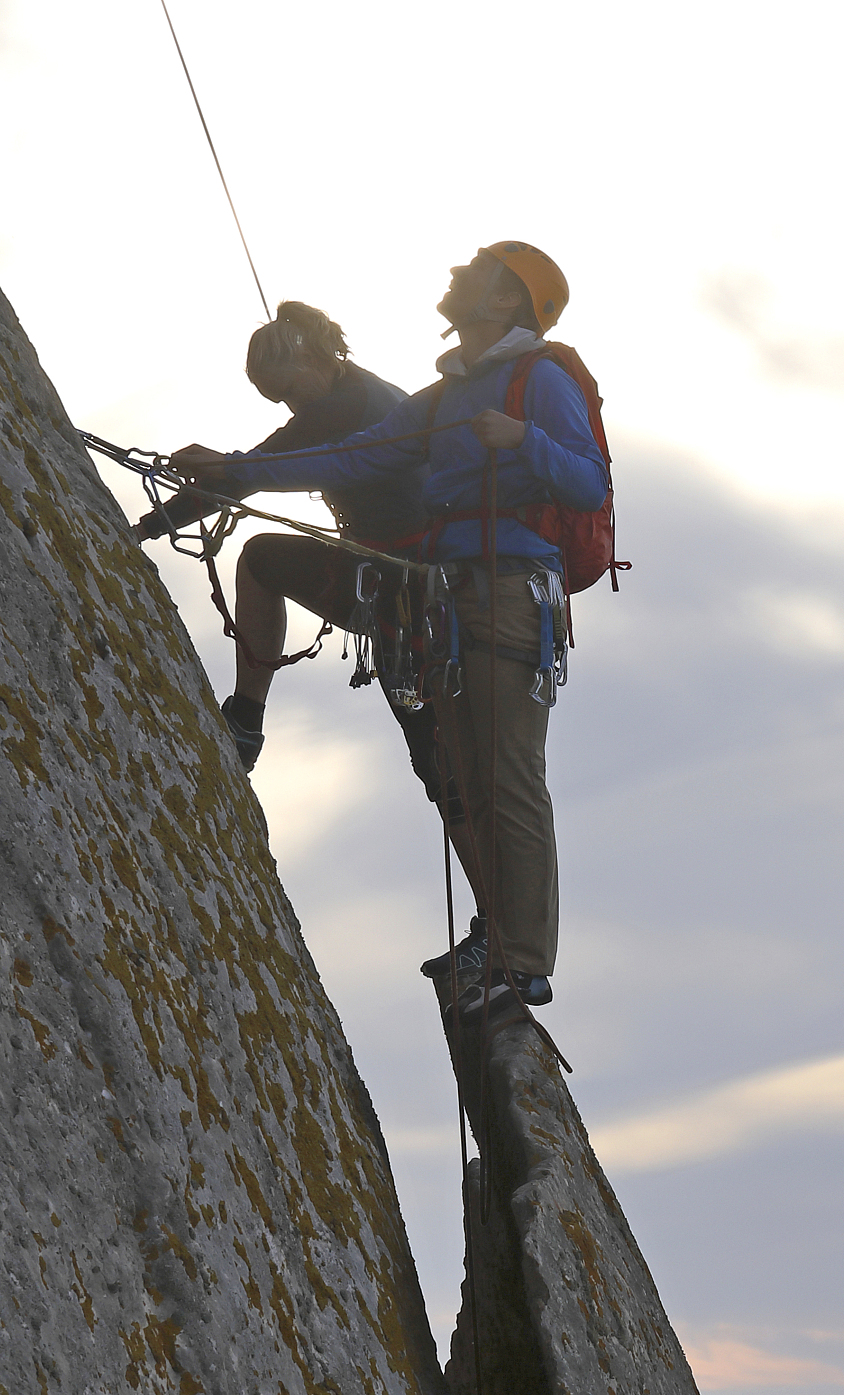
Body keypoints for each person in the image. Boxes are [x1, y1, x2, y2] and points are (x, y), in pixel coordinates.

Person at [172, 243, 609, 1018]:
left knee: (505, 773)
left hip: (510, 593)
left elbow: (587, 481)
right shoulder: (444, 396)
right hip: (450, 594)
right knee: (467, 772)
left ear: (508, 302)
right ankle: (501, 943)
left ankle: (523, 962)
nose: (454, 275)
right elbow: (350, 455)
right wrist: (235, 473)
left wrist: (524, 441)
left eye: (474, 270)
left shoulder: (536, 378)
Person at [137, 302, 421, 770]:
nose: (293, 408)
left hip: (395, 585)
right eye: (279, 402)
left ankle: (246, 722)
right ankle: (246, 721)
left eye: (289, 391)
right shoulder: (374, 390)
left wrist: (148, 527)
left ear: (311, 357)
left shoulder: (344, 406)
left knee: (260, 561)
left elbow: (245, 476)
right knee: (432, 753)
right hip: (413, 579)